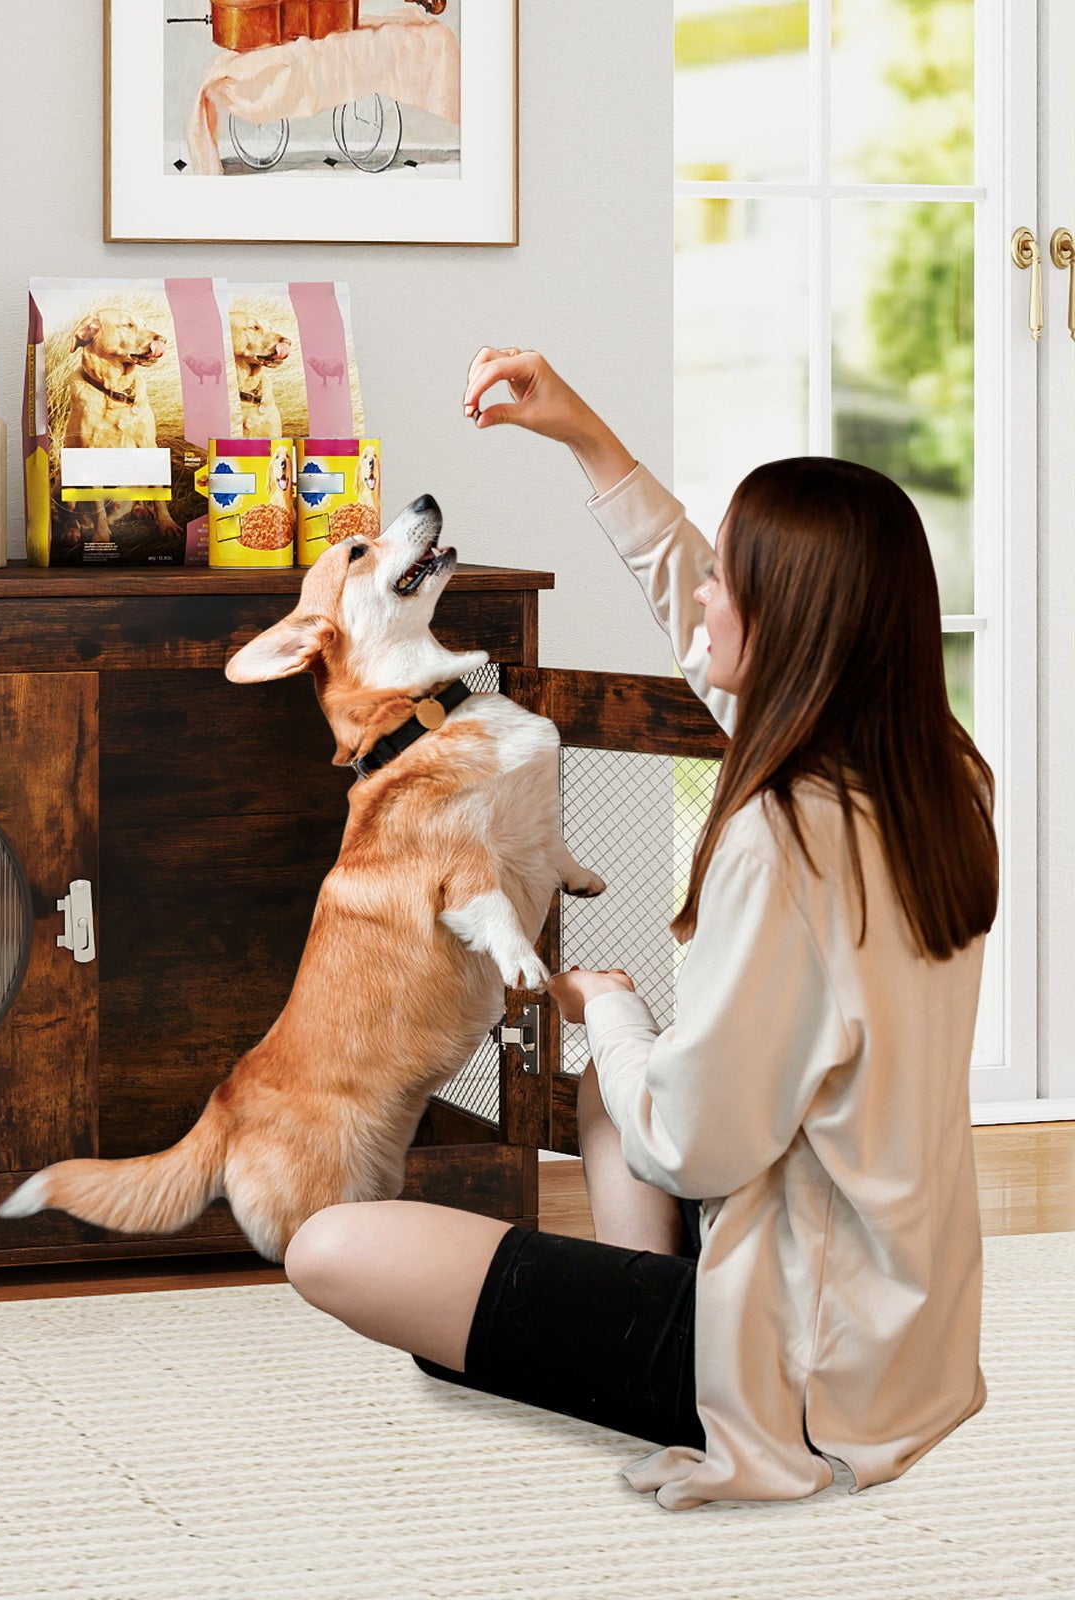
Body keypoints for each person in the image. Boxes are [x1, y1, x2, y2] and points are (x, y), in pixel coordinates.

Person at [282, 347, 999, 1510]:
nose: (705, 592)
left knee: (333, 1248)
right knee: (611, 1094)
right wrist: (582, 434)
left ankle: (662, 1356)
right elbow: (691, 583)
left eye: (731, 582)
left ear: (788, 623)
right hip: (900, 1335)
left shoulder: (780, 835)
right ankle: (636, 1317)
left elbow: (693, 1145)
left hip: (790, 1365)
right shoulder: (938, 778)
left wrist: (610, 1009)